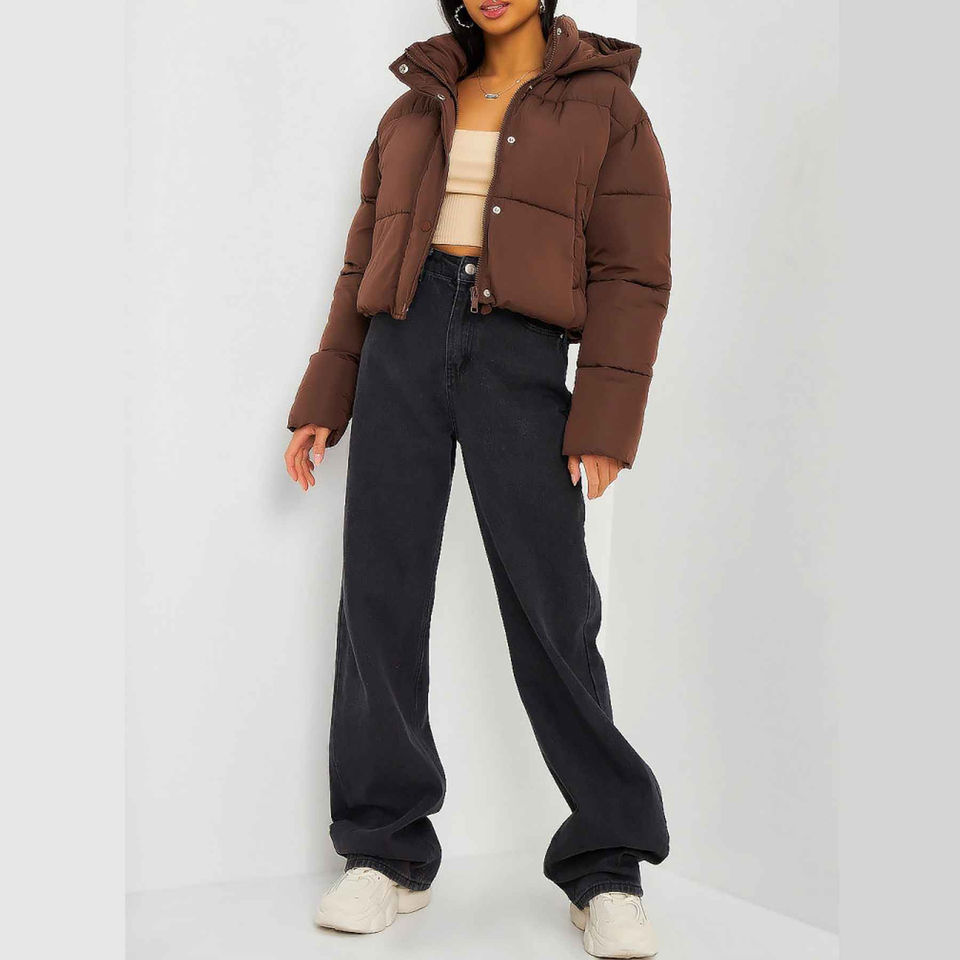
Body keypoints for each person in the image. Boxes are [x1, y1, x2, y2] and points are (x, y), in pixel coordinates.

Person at [283, 2, 671, 955]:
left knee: (554, 606)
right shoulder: (416, 101)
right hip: (402, 344)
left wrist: (605, 419)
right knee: (380, 596)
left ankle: (606, 867)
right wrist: (326, 394)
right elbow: (362, 257)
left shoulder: (607, 107)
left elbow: (632, 271)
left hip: (521, 353)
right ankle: (384, 852)